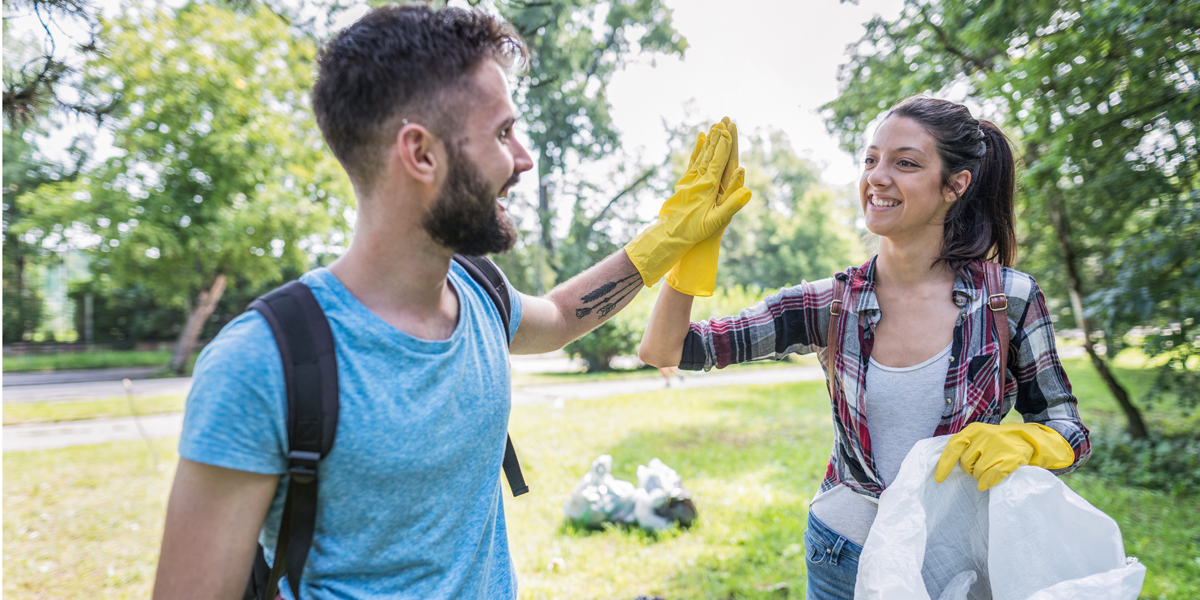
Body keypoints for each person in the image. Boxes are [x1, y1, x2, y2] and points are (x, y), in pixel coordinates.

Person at [151, 5, 749, 600]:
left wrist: (665, 240)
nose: (524, 158)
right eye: (502, 133)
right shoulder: (260, 365)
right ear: (421, 153)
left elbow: (563, 315)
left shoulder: (481, 293)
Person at [638, 95, 1090, 599]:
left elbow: (1067, 427)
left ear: (955, 186)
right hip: (843, 556)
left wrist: (1030, 442)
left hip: (956, 563)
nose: (877, 176)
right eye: (871, 159)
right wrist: (687, 248)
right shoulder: (828, 303)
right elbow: (666, 350)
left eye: (906, 163)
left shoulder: (1010, 299)